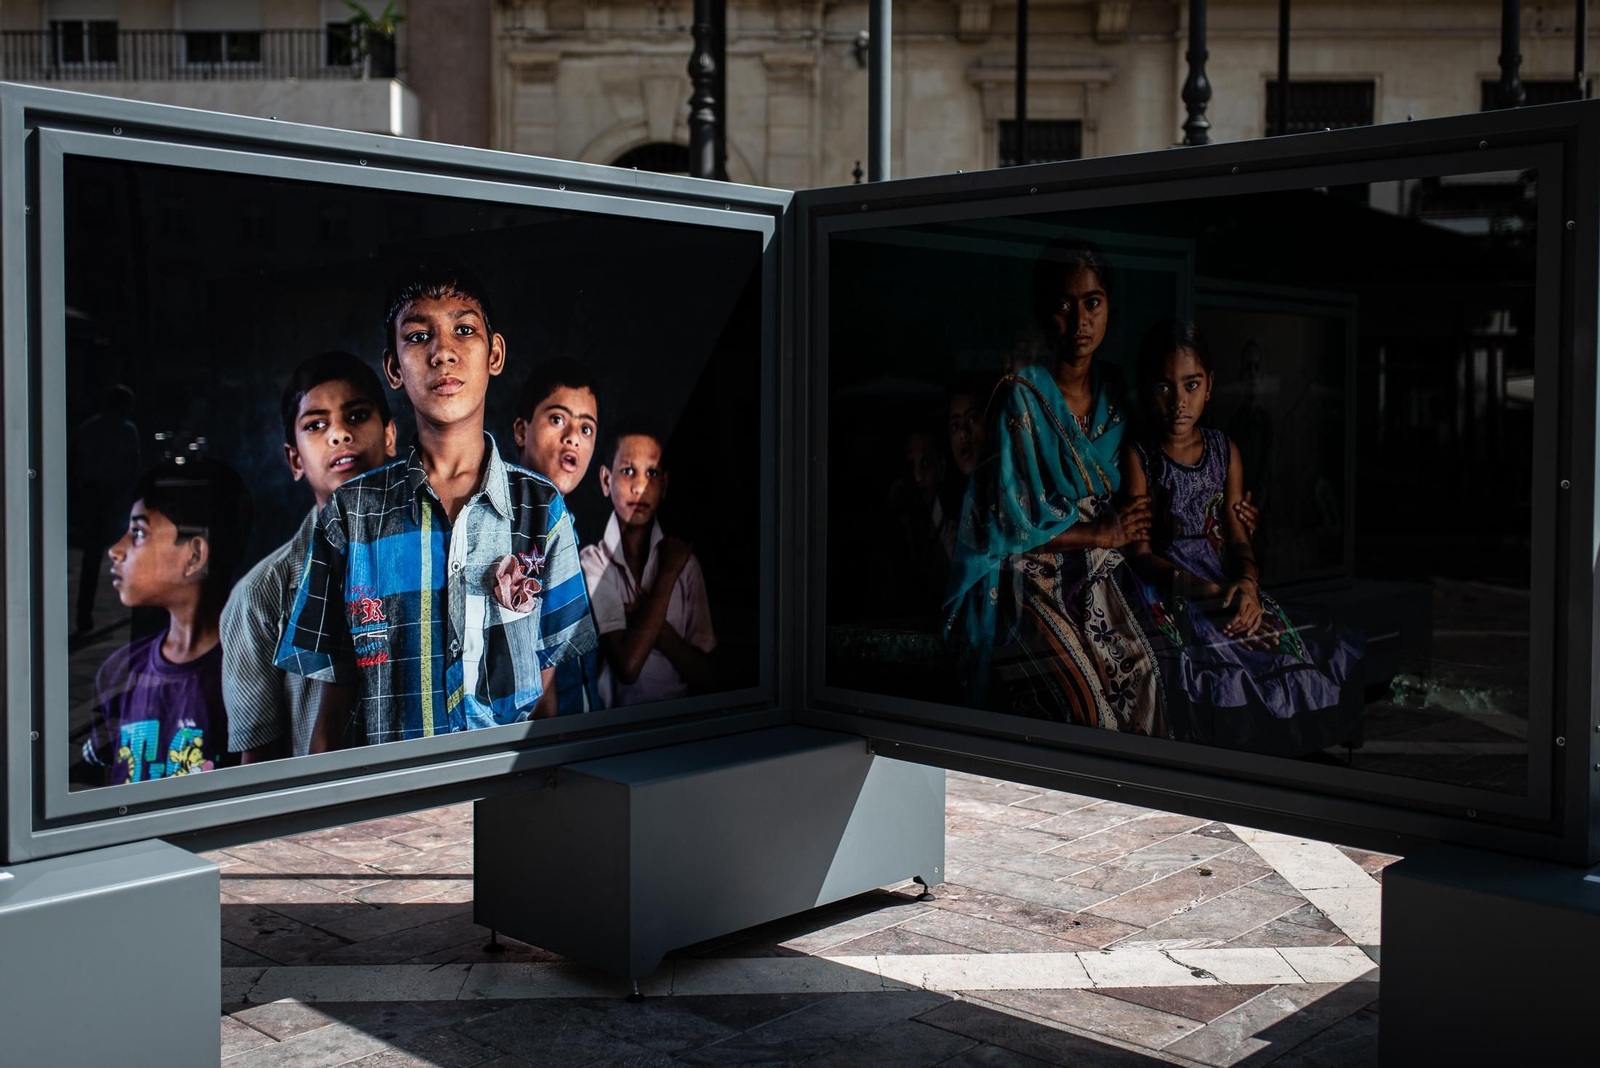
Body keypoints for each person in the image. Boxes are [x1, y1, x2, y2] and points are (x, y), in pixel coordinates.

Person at [276, 262, 597, 748]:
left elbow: (548, 702)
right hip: (389, 805)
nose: (443, 352)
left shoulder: (541, 508)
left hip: (506, 804)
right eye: (419, 336)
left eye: (464, 330)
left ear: (494, 353)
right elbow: (330, 714)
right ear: (393, 368)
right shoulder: (350, 516)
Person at [1120, 319, 1363, 749]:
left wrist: (1247, 585)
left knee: (1269, 641)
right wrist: (1199, 589)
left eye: (1191, 385)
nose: (1179, 401)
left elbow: (1236, 538)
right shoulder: (1140, 457)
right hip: (1170, 585)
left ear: (1210, 385)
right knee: (1206, 662)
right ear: (1146, 389)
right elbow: (1140, 552)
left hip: (1222, 574)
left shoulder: (1224, 451)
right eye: (1164, 388)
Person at [221, 353, 397, 763]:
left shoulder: (438, 552)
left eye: (356, 415)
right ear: (295, 460)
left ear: (389, 435)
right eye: (316, 425)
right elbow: (259, 770)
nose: (339, 433)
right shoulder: (259, 596)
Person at [83, 459, 251, 785]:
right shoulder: (118, 674)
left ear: (193, 556)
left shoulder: (248, 676)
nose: (116, 551)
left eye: (138, 533)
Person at [580, 419, 715, 707]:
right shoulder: (593, 561)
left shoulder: (686, 564)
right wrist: (665, 578)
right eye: (628, 471)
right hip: (613, 728)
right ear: (606, 480)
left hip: (678, 722)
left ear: (664, 485)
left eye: (652, 473)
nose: (640, 486)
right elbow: (627, 667)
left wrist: (648, 624)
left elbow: (708, 675)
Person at [511, 358, 604, 714]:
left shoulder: (569, 528)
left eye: (586, 429)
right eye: (557, 419)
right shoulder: (512, 531)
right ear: (521, 431)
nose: (572, 438)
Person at [72, 384, 141, 635]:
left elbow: (78, 467)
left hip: (92, 494)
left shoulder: (87, 428)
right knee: (133, 554)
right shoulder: (126, 430)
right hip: (117, 496)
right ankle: (137, 606)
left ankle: (84, 614)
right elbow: (132, 465)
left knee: (91, 558)